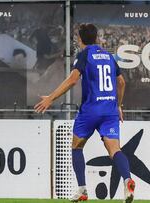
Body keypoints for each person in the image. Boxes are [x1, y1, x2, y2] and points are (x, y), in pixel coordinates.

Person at [34, 24, 135, 203]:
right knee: (115, 150)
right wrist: (118, 105)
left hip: (90, 110)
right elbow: (121, 83)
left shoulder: (84, 54)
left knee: (77, 146)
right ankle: (127, 181)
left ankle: (82, 189)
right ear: (96, 37)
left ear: (80, 39)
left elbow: (73, 80)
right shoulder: (109, 56)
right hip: (110, 111)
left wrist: (50, 98)